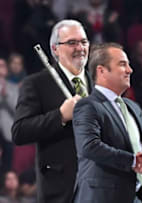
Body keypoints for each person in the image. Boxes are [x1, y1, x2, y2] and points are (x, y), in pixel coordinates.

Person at [72, 42, 142, 203]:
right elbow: (89, 146)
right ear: (101, 71)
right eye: (122, 65)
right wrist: (134, 161)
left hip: (132, 197)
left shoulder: (131, 107)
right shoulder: (88, 106)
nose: (130, 70)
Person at [11, 19, 93, 203]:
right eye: (72, 42)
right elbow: (20, 131)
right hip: (61, 190)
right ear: (55, 49)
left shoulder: (100, 83)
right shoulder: (36, 84)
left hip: (100, 189)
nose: (80, 48)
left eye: (84, 42)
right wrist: (60, 116)